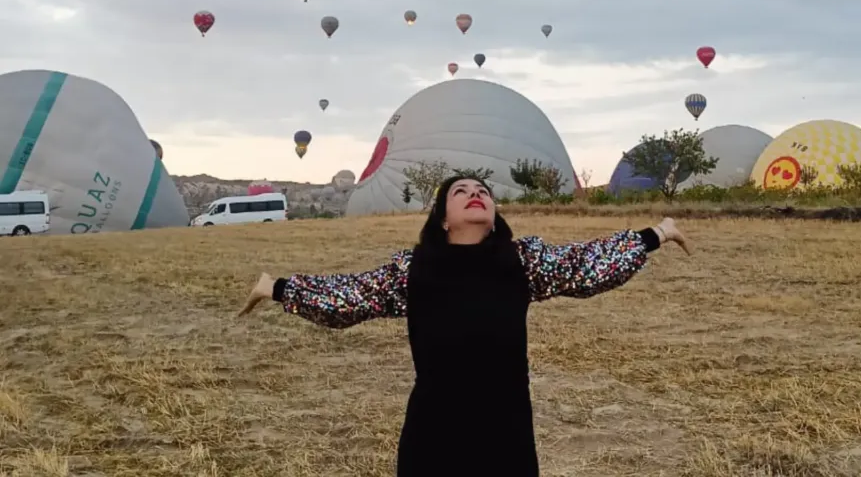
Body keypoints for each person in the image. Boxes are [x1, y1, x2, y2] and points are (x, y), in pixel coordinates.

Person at [239, 175, 690, 476]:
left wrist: (658, 233)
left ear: (495, 212)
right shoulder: (413, 270)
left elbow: (586, 266)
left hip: (506, 426)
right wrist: (278, 288)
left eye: (483, 191)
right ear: (442, 217)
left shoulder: (522, 261)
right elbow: (351, 298)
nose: (475, 193)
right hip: (435, 429)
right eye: (461, 192)